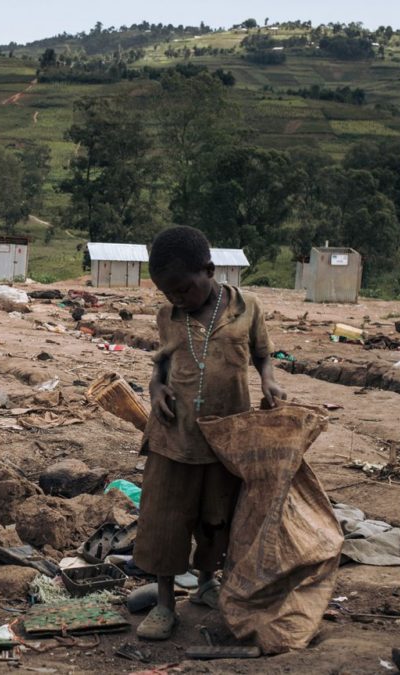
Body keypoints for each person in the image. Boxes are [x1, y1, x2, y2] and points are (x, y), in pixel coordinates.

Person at [134, 226, 287, 640]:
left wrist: (269, 383)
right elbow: (159, 367)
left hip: (227, 436)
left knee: (217, 518)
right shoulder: (168, 316)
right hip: (174, 436)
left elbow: (261, 355)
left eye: (183, 289)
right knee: (164, 519)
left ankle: (205, 584)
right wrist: (156, 389)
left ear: (210, 270)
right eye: (169, 293)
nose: (177, 299)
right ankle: (165, 605)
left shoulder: (247, 307)